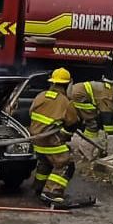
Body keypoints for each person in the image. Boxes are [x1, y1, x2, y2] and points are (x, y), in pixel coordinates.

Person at [29, 68, 80, 208]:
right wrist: (63, 136)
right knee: (66, 164)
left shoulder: (40, 96)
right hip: (51, 143)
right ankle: (52, 192)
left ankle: (38, 188)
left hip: (36, 141)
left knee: (46, 162)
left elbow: (30, 113)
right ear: (67, 84)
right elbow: (72, 123)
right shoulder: (65, 102)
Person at [66, 78, 113, 155]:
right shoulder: (108, 95)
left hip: (76, 93)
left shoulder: (108, 88)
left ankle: (78, 143)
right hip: (80, 96)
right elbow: (107, 117)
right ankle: (86, 147)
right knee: (93, 124)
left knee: (77, 121)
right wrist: (111, 136)